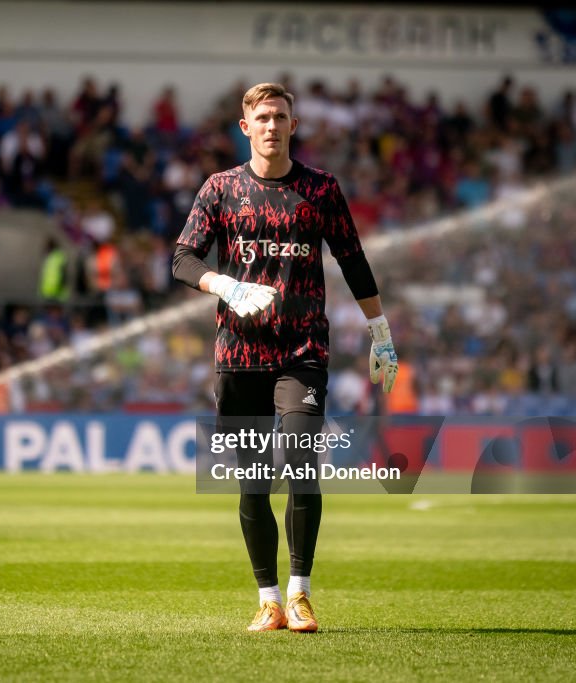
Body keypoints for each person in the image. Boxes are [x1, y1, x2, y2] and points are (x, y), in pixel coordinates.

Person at [172, 83, 398, 633]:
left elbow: (353, 260)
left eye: (281, 116)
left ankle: (300, 594)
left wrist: (381, 331)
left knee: (300, 463)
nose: (272, 125)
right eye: (262, 117)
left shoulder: (321, 189)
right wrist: (222, 284)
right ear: (245, 127)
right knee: (252, 481)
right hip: (239, 354)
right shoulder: (220, 188)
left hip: (303, 351)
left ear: (293, 126)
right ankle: (267, 599)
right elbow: (181, 258)